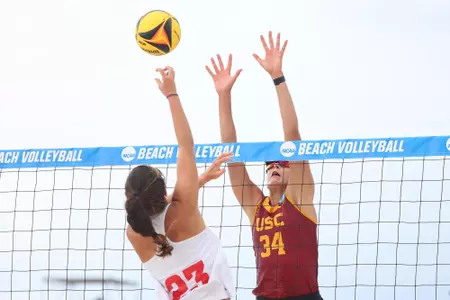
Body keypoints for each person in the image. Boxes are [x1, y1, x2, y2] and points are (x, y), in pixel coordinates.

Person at [206, 32, 323, 300]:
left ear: (293, 171)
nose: (274, 166)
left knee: (291, 140)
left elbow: (292, 135)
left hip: (304, 297)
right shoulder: (257, 208)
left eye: (281, 163)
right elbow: (231, 153)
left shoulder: (299, 199)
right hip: (265, 297)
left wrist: (277, 77)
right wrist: (224, 95)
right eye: (269, 164)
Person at [125, 66, 235, 300]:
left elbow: (154, 209)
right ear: (163, 190)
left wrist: (201, 180)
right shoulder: (182, 210)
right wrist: (171, 94)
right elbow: (186, 145)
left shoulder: (133, 233)